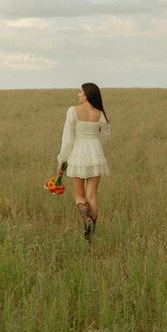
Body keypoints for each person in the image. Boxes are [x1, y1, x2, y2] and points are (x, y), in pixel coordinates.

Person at [57, 83, 110, 241]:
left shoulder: (73, 111)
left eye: (80, 92)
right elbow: (106, 137)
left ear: (86, 94)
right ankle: (91, 235)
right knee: (92, 195)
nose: (78, 94)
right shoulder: (100, 114)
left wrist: (62, 161)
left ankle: (85, 219)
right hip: (95, 153)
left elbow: (67, 139)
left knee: (79, 196)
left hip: (78, 153)